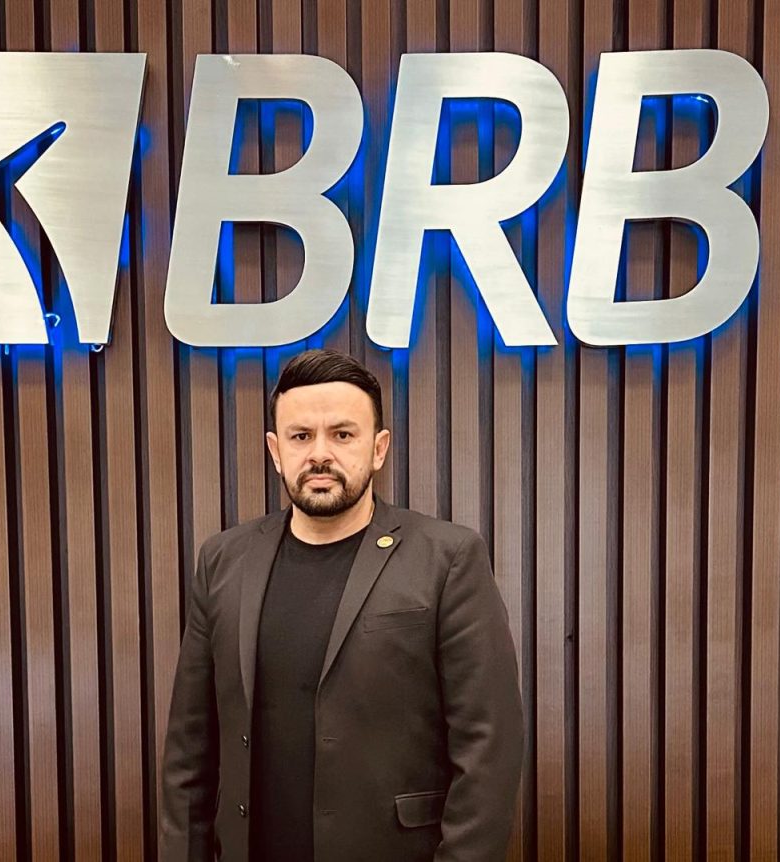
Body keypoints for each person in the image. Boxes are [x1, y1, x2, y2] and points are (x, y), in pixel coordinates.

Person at [160, 349, 523, 861]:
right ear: (275, 450)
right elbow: (189, 751)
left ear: (379, 448)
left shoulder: (448, 558)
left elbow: (489, 747)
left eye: (343, 434)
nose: (320, 454)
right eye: (300, 436)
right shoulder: (223, 561)